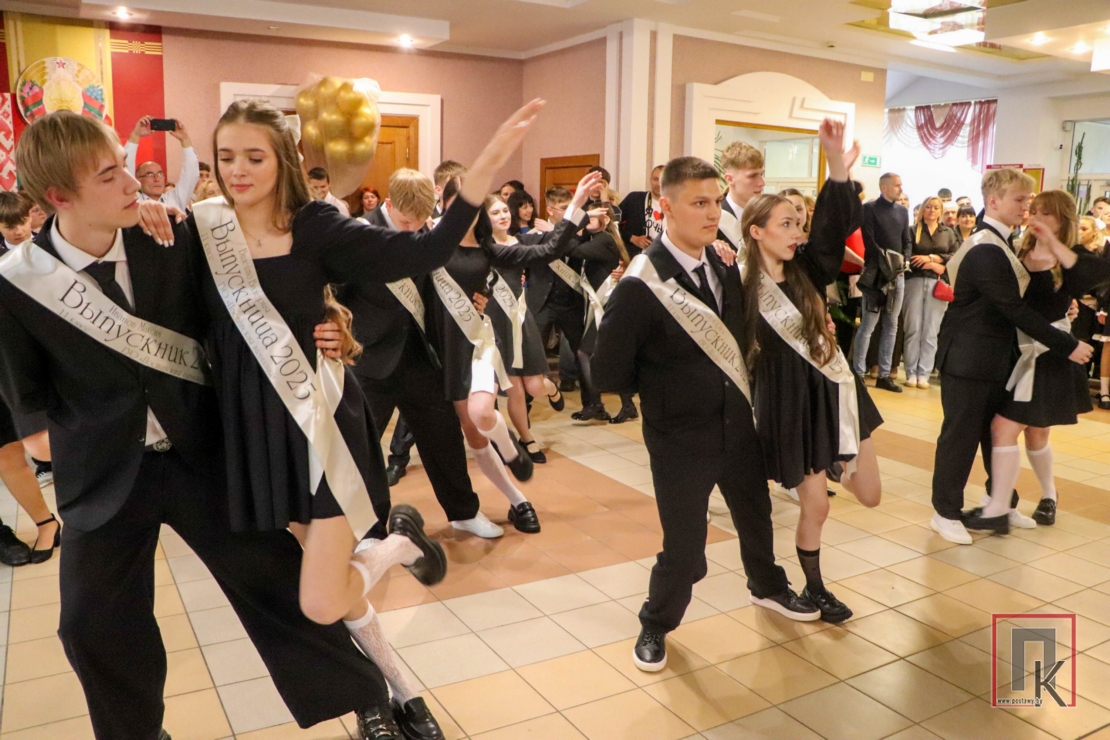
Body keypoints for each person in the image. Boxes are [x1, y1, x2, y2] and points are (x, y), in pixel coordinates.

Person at [0, 110, 450, 740]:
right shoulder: (20, 281)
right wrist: (38, 433)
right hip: (103, 473)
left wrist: (327, 320)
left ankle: (368, 696)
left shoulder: (171, 238)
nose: (134, 183)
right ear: (58, 197)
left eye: (124, 167)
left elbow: (268, 292)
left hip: (201, 453)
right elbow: (26, 391)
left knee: (278, 586)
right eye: (109, 176)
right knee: (88, 624)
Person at [594, 155, 820, 673]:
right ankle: (656, 621)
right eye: (699, 203)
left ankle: (767, 586)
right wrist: (669, 391)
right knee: (685, 549)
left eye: (716, 201)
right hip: (679, 437)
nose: (713, 213)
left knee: (756, 516)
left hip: (737, 425)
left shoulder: (721, 265)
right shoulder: (642, 283)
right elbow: (609, 372)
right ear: (666, 207)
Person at [731, 121, 881, 624]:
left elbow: (834, 226)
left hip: (836, 389)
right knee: (817, 506)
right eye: (787, 225)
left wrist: (836, 164)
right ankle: (816, 589)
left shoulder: (808, 268)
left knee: (871, 495)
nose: (798, 233)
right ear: (756, 231)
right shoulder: (738, 287)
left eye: (799, 223)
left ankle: (835, 464)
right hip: (788, 402)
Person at [930, 169, 1091, 545]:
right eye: (1020, 200)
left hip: (998, 359)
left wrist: (1063, 308)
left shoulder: (1005, 242)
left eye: (1028, 200)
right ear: (994, 201)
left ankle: (999, 504)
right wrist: (1068, 345)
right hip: (969, 359)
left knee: (995, 438)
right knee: (960, 437)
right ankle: (945, 512)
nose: (1026, 208)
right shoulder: (985, 247)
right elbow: (1012, 308)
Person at [341, 169, 504, 539]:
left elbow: (447, 281)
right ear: (387, 204)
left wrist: (477, 299)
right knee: (361, 450)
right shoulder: (357, 235)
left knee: (443, 437)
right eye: (405, 222)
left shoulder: (425, 232)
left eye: (421, 221)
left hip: (417, 354)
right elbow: (334, 294)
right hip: (367, 359)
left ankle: (464, 512)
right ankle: (369, 530)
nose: (414, 229)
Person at [429, 172, 594, 533]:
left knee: (481, 411)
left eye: (472, 205)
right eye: (457, 204)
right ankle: (518, 500)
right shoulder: (430, 243)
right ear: (445, 204)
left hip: (479, 344)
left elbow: (546, 251)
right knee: (473, 433)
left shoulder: (489, 248)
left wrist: (576, 206)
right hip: (445, 347)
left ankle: (511, 449)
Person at [965, 191, 1110, 532]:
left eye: (1047, 213)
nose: (1037, 218)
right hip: (1018, 351)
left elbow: (1092, 275)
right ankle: (1003, 505)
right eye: (1035, 211)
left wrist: (1053, 243)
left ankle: (1038, 498)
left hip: (1050, 355)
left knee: (1032, 433)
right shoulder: (1017, 251)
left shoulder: (1071, 257)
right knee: (1017, 429)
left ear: (1062, 219)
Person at [0, 191, 62, 565]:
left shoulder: (46, 249)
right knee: (9, 453)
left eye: (22, 221)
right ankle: (43, 523)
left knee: (33, 446)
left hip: (28, 364)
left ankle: (52, 521)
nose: (19, 229)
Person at [485, 194, 572, 461]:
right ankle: (527, 439)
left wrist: (578, 217)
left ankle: (552, 388)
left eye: (504, 210)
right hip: (494, 323)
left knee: (535, 386)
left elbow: (556, 242)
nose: (503, 215)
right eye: (495, 212)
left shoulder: (522, 241)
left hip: (520, 319)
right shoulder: (479, 247)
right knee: (515, 389)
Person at [527, 179, 610, 420]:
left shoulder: (579, 232)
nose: (569, 211)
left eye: (570, 206)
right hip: (541, 301)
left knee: (583, 353)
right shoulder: (535, 234)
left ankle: (594, 404)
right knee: (532, 355)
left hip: (570, 301)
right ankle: (525, 408)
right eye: (564, 208)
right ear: (551, 209)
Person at [854, 172, 911, 393]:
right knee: (868, 324)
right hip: (876, 274)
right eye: (897, 185)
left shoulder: (903, 212)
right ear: (884, 187)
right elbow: (869, 241)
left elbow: (906, 241)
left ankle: (884, 375)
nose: (900, 189)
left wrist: (904, 261)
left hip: (897, 275)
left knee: (892, 325)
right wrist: (887, 263)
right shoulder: (869, 209)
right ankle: (858, 373)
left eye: (901, 185)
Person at [902, 196, 957, 389]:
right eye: (928, 207)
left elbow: (955, 255)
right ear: (922, 209)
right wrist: (929, 262)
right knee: (913, 328)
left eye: (936, 207)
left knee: (931, 331)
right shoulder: (912, 230)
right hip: (914, 281)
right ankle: (911, 372)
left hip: (938, 283)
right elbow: (908, 255)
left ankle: (924, 373)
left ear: (940, 211)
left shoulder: (948, 233)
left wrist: (933, 260)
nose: (932, 210)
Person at [125, 115, 199, 213]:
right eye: (150, 175)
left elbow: (191, 173)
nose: (157, 179)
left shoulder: (175, 199)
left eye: (160, 174)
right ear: (138, 180)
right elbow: (125, 173)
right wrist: (135, 136)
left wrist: (185, 140)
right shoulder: (134, 201)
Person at [716, 141, 765, 251]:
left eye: (761, 174)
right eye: (753, 176)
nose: (762, 183)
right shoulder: (713, 219)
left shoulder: (767, 215)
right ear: (730, 179)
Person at [617, 164, 665, 256]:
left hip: (662, 258)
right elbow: (612, 224)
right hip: (635, 257)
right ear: (650, 180)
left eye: (663, 180)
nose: (659, 184)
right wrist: (632, 238)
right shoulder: (634, 199)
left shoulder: (675, 205)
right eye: (655, 179)